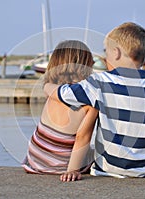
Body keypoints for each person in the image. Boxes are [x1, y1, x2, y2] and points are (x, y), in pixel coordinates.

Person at [44, 22, 145, 178]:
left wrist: (47, 86)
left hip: (108, 170)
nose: (104, 57)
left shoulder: (99, 83)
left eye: (106, 52)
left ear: (115, 53)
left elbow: (63, 93)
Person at [22, 40, 98, 181]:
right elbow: (82, 138)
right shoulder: (90, 101)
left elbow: (46, 87)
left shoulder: (52, 89)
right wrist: (72, 170)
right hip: (61, 166)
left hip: (35, 160)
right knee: (99, 154)